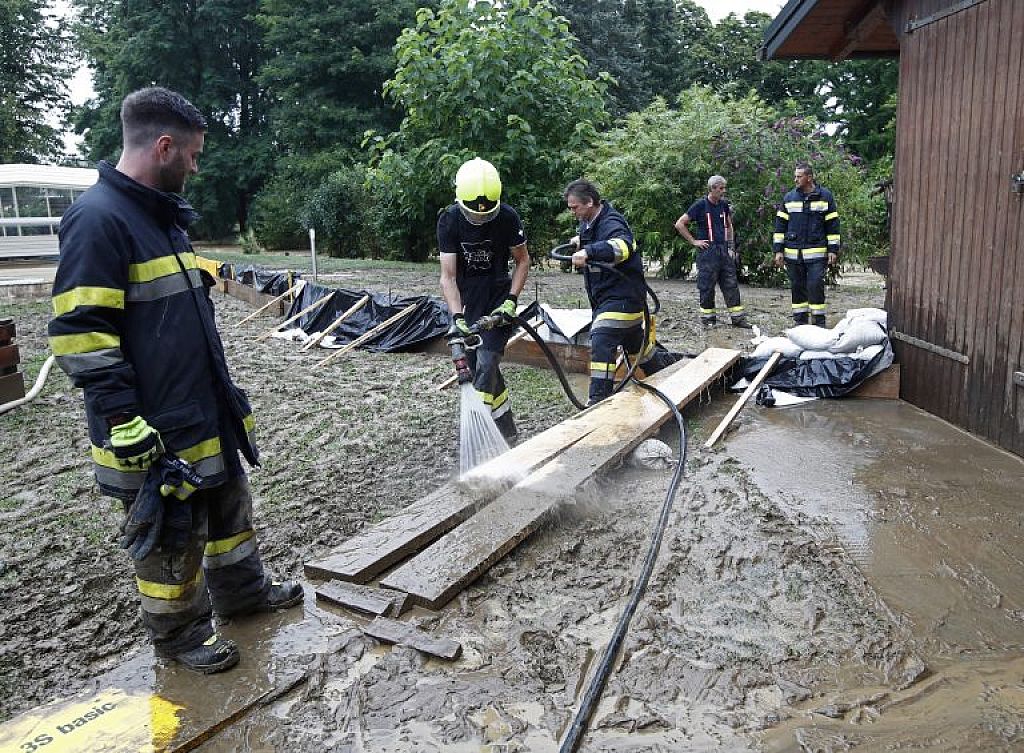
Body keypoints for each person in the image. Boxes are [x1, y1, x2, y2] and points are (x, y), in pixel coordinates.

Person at [47, 87, 302, 675]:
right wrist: (120, 420)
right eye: (191, 154)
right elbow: (81, 333)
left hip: (199, 406)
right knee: (171, 537)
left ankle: (242, 597)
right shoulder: (99, 221)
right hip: (150, 425)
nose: (196, 165)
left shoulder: (160, 218)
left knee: (226, 509)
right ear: (163, 147)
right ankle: (180, 637)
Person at [438, 157, 529, 443]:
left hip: (499, 295)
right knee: (480, 368)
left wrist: (512, 300)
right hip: (466, 299)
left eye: (486, 214)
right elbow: (448, 277)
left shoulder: (508, 217)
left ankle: (477, 437)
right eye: (474, 215)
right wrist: (457, 317)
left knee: (487, 364)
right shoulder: (450, 220)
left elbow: (523, 261)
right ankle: (508, 432)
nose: (481, 219)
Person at [564, 178, 656, 405]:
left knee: (602, 337)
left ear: (590, 202)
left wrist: (589, 251)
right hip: (610, 300)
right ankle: (669, 373)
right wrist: (581, 241)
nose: (573, 212)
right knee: (640, 352)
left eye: (575, 207)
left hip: (624, 299)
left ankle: (597, 401)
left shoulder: (612, 221)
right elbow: (593, 238)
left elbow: (623, 246)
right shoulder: (590, 223)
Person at [674, 175, 751, 328]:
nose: (724, 191)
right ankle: (708, 321)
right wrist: (694, 241)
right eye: (721, 188)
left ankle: (738, 319)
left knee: (731, 284)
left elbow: (729, 226)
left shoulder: (724, 205)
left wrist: (730, 247)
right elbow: (680, 224)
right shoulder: (700, 205)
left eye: (724, 188)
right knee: (707, 287)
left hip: (723, 250)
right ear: (712, 189)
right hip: (708, 252)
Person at [773, 162, 841, 326]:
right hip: (793, 254)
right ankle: (800, 322)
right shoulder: (789, 198)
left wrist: (833, 250)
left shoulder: (825, 196)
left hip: (817, 254)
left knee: (815, 285)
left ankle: (819, 322)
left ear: (809, 178)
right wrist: (778, 251)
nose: (795, 179)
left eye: (799, 176)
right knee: (797, 287)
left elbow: (833, 225)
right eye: (795, 176)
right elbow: (780, 225)